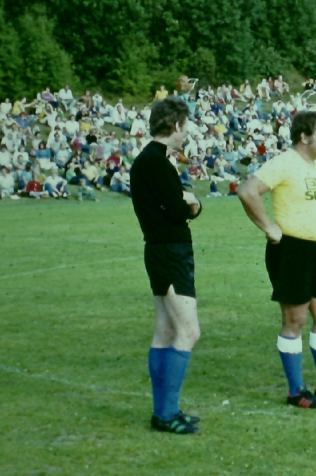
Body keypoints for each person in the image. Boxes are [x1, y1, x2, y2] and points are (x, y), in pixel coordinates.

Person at [239, 111, 316, 409]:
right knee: (295, 319)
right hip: (294, 251)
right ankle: (296, 391)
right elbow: (248, 191)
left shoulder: (314, 165)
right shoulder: (284, 162)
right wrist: (269, 227)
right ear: (304, 137)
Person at [130, 96, 204, 434]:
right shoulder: (156, 162)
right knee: (189, 331)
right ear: (175, 125)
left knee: (165, 330)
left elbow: (178, 204)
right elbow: (177, 209)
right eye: (185, 126)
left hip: (161, 250)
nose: (187, 132)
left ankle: (163, 411)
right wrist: (192, 203)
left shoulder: (152, 159)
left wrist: (188, 202)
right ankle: (167, 412)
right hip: (170, 252)